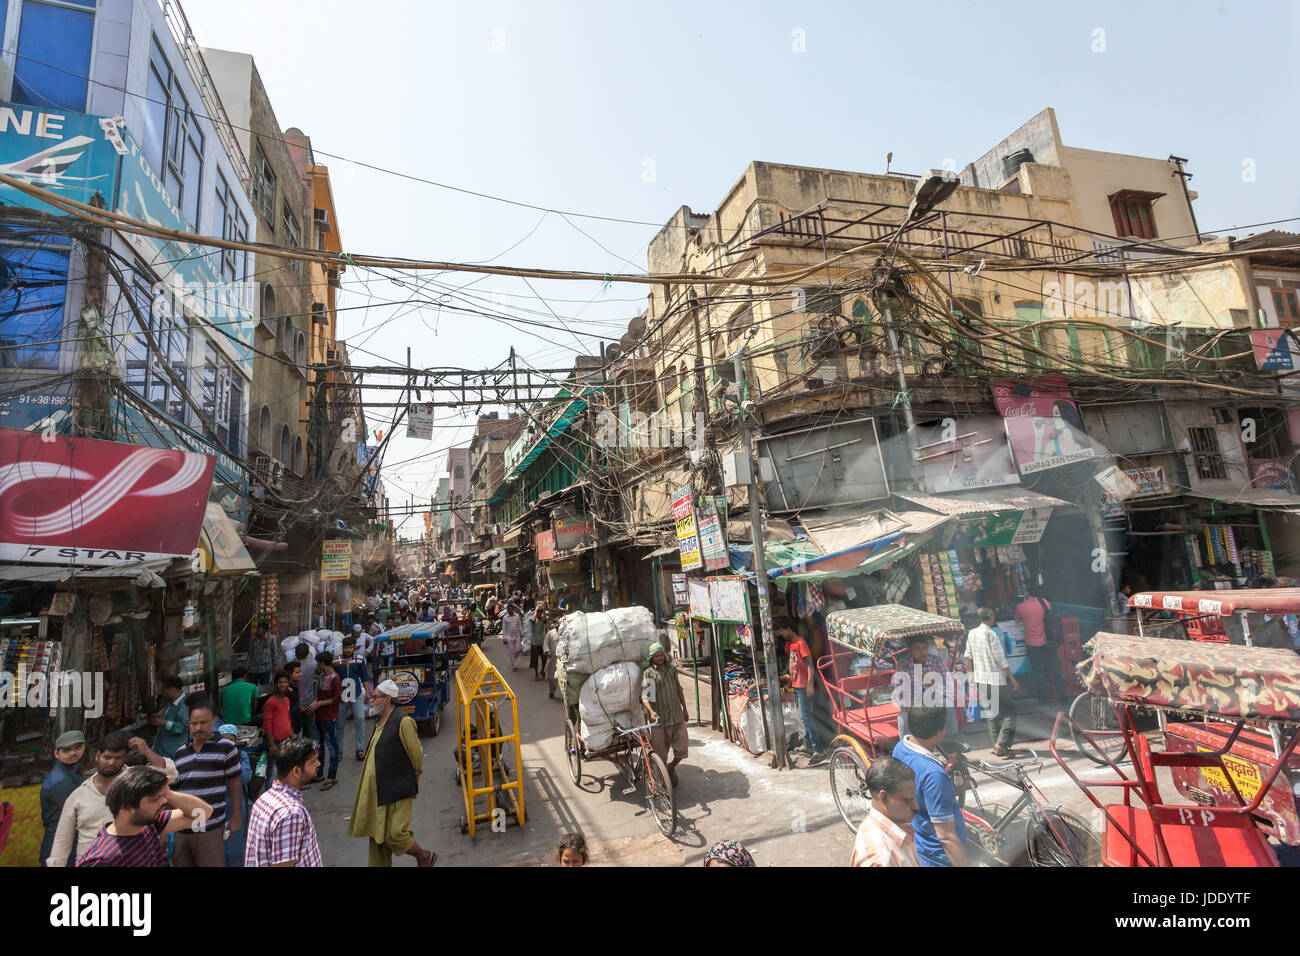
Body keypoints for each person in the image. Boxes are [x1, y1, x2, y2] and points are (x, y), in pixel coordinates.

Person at [48, 733, 176, 866]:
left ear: (125, 758)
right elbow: (61, 844)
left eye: (118, 758)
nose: (111, 763)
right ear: (97, 756)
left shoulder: (137, 782)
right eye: (107, 757)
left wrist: (147, 752)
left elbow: (170, 774)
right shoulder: (78, 796)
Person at [349, 679, 437, 867]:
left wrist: (414, 780)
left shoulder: (403, 722)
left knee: (395, 834)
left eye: (375, 697)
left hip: (399, 788)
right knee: (377, 835)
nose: (371, 701)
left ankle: (423, 856)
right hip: (379, 790)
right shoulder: (379, 722)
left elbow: (416, 754)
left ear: (387, 699)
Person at [76, 765, 213, 868]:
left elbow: (202, 813)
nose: (163, 802)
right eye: (155, 799)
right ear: (127, 806)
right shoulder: (104, 858)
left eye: (162, 797)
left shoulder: (149, 824)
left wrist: (168, 793)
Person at [891, 706, 969, 867]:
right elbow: (946, 837)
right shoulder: (934, 775)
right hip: (939, 859)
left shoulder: (900, 747)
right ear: (940, 731)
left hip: (918, 843)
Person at [171, 698, 242, 867]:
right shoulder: (180, 753)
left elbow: (235, 782)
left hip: (209, 826)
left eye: (203, 723)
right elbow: (173, 791)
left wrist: (236, 816)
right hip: (182, 827)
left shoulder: (226, 747)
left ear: (213, 721)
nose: (198, 728)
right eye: (194, 723)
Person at [244, 736, 324, 868]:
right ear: (296, 771)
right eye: (313, 761)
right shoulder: (291, 813)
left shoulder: (264, 799)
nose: (318, 764)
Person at [964, 607, 1020, 757]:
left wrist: (971, 675)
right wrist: (1012, 678)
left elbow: (967, 656)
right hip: (996, 679)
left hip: (981, 679)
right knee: (1010, 713)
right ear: (991, 617)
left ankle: (997, 747)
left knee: (991, 714)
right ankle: (1001, 743)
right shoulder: (991, 634)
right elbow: (1000, 659)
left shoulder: (972, 633)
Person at [849, 755, 921, 867]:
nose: (916, 806)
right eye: (907, 799)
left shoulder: (895, 826)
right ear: (884, 797)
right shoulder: (880, 859)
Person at [774, 617, 825, 763]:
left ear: (789, 629)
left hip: (803, 686)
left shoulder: (801, 643)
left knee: (806, 717)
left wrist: (809, 684)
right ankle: (807, 744)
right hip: (796, 685)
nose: (781, 634)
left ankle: (818, 749)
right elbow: (793, 666)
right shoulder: (790, 645)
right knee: (803, 717)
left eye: (782, 631)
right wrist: (790, 682)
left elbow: (810, 665)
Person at [641, 642, 689, 786]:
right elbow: (645, 697)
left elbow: (679, 690)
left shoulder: (672, 670)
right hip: (660, 721)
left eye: (661, 655)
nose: (659, 658)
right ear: (651, 658)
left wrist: (685, 709)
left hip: (676, 717)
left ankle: (671, 767)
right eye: (656, 656)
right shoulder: (649, 673)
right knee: (660, 757)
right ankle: (663, 782)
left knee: (682, 750)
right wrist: (651, 711)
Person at [895, 634, 959, 740]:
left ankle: (951, 742)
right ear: (910, 650)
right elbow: (899, 693)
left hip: (935, 700)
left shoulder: (937, 661)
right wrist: (906, 703)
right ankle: (906, 746)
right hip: (915, 703)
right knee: (903, 718)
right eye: (917, 649)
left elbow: (950, 689)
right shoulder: (903, 665)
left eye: (924, 648)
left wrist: (933, 683)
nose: (922, 652)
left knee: (948, 706)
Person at [39, 731, 85, 867]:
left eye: (77, 748)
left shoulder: (74, 771)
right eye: (67, 750)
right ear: (56, 754)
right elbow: (81, 811)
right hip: (60, 847)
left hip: (69, 842)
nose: (73, 753)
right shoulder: (60, 781)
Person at [1015, 588, 1066, 704]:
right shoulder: (1044, 602)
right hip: (1048, 643)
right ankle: (1063, 698)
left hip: (1033, 645)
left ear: (1027, 593)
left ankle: (1044, 700)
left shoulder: (1021, 606)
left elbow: (1017, 620)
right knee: (1056, 671)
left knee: (1039, 673)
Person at [309, 652, 343, 790]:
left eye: (318, 662)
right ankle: (319, 774)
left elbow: (337, 699)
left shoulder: (335, 678)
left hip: (329, 716)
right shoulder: (323, 676)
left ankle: (331, 776)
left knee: (332, 747)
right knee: (320, 747)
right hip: (320, 716)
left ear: (322, 663)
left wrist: (319, 704)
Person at [339, 635, 373, 761]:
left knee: (360, 719)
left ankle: (360, 749)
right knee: (339, 723)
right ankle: (339, 750)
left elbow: (364, 677)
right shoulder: (336, 661)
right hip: (342, 696)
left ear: (354, 648)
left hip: (357, 694)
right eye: (346, 648)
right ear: (343, 648)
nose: (348, 650)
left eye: (350, 648)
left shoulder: (359, 660)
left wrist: (368, 694)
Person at [261, 670, 295, 780]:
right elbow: (267, 724)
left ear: (288, 683)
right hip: (275, 742)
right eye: (280, 682)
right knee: (273, 772)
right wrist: (271, 744)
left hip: (286, 740)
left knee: (284, 771)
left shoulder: (287, 700)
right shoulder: (271, 702)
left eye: (285, 682)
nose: (282, 685)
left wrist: (292, 732)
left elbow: (287, 717)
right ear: (275, 684)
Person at [150, 676, 189, 758]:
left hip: (172, 754)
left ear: (172, 690)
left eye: (163, 691)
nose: (161, 693)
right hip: (162, 752)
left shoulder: (184, 705)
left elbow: (183, 727)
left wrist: (162, 722)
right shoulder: (172, 703)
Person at [248, 622, 277, 687]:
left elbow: (274, 653)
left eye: (259, 629)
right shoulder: (253, 640)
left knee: (264, 688)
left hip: (265, 668)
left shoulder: (271, 639)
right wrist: (247, 668)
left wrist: (275, 666)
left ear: (264, 630)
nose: (257, 630)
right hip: (253, 669)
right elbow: (250, 654)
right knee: (253, 687)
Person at [500, 601, 525, 671]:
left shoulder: (517, 616)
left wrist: (521, 633)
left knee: (519, 649)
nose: (510, 611)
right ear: (507, 610)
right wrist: (504, 638)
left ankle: (512, 658)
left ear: (513, 609)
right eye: (509, 610)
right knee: (511, 651)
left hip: (516, 635)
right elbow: (504, 628)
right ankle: (514, 666)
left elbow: (519, 625)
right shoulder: (505, 618)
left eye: (511, 609)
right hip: (508, 636)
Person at [543, 615, 561, 699]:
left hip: (561, 659)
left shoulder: (565, 633)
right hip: (552, 659)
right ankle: (551, 691)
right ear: (554, 624)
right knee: (550, 677)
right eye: (556, 623)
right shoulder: (550, 633)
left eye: (559, 623)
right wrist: (547, 651)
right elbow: (545, 644)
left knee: (561, 677)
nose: (558, 625)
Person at [525, 607, 545, 680]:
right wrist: (536, 611)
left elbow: (545, 618)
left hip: (542, 642)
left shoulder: (543, 620)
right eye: (538, 612)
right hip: (534, 643)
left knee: (544, 659)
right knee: (535, 660)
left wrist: (543, 609)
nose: (539, 614)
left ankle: (542, 670)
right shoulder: (533, 620)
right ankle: (536, 674)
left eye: (540, 612)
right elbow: (533, 620)